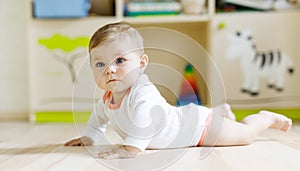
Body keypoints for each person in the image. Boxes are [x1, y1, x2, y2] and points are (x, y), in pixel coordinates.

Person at [64, 22, 292, 159]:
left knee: (244, 136)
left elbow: (145, 124)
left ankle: (263, 118)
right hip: (188, 119)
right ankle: (220, 111)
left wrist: (129, 149)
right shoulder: (107, 99)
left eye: (120, 60)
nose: (110, 70)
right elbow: (99, 118)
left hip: (199, 129)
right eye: (100, 64)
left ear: (142, 63)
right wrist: (90, 136)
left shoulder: (143, 93)